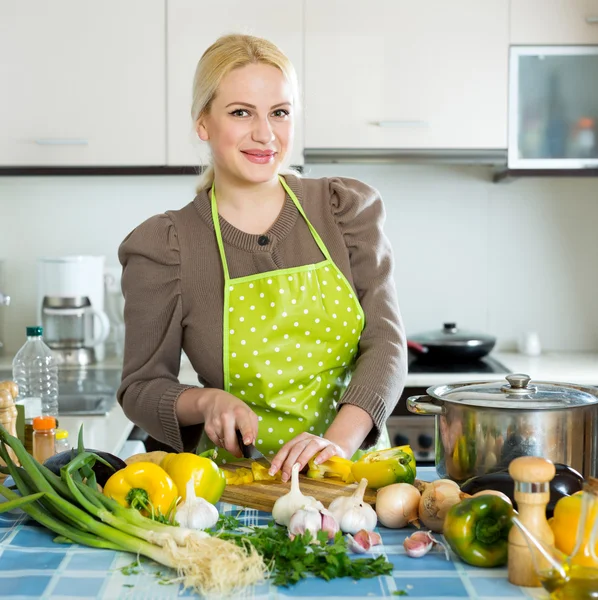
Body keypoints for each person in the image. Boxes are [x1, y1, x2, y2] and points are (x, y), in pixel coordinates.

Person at [117, 34, 407, 483]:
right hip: (235, 492)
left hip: (352, 484)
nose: (265, 134)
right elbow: (141, 387)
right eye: (240, 112)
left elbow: (386, 344)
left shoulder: (343, 211)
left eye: (279, 113)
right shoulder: (168, 246)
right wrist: (208, 401)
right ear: (203, 123)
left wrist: (336, 445)